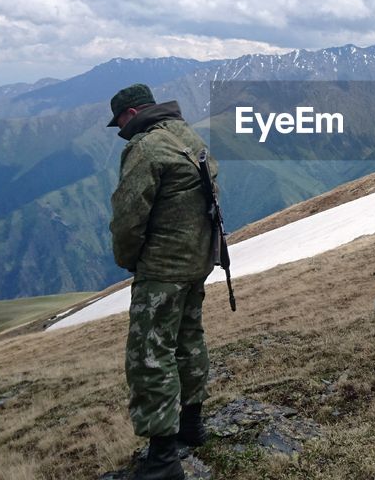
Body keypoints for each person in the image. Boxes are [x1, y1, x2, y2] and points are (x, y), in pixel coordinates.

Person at [107, 83, 216, 480]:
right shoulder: (187, 135)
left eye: (120, 123)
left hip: (164, 270)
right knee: (189, 340)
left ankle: (164, 460)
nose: (121, 131)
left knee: (150, 354)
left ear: (132, 114)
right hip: (198, 261)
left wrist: (129, 259)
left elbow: (128, 217)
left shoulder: (146, 147)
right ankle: (192, 424)